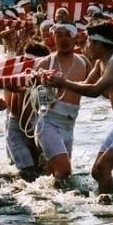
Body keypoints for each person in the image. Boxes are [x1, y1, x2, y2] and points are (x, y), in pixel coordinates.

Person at [48, 21, 113, 194]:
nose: (86, 46)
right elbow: (84, 85)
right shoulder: (100, 62)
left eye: (89, 42)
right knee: (97, 172)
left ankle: (106, 209)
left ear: (98, 44)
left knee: (103, 168)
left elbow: (95, 91)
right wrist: (54, 83)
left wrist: (63, 82)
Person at [34, 22, 91, 183]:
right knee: (64, 170)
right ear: (53, 38)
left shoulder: (84, 62)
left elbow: (98, 88)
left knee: (59, 177)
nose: (64, 39)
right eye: (59, 35)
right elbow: (29, 92)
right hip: (48, 123)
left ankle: (51, 203)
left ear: (76, 38)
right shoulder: (45, 63)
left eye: (68, 35)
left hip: (69, 125)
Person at [4, 42, 50, 181]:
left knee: (45, 172)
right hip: (16, 126)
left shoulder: (46, 79)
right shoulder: (16, 77)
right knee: (27, 173)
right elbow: (16, 113)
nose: (26, 68)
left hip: (37, 126)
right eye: (24, 63)